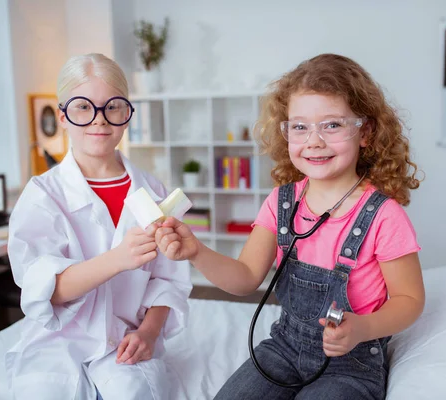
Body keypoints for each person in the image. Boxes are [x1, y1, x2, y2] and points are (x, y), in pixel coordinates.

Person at [154, 53, 425, 399]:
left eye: (332, 125)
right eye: (299, 126)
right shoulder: (282, 202)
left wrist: (363, 328)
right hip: (283, 347)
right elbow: (246, 278)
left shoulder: (384, 216)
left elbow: (410, 299)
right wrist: (196, 252)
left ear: (365, 132)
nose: (314, 140)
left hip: (350, 361)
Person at [6, 53, 192, 400]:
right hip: (58, 340)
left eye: (113, 107)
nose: (99, 120)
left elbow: (168, 281)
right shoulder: (42, 196)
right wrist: (119, 259)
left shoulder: (154, 192)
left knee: (132, 393)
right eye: (82, 107)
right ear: (62, 115)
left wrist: (149, 334)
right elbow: (48, 290)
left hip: (126, 338)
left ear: (127, 114)